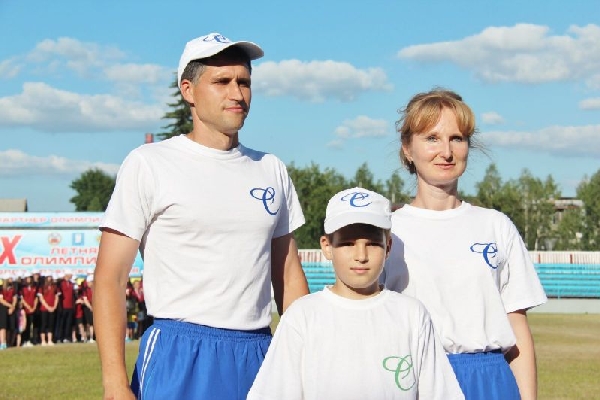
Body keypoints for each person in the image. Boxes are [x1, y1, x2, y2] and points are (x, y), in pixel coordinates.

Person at [94, 32, 308, 400]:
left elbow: (288, 277)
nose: (237, 93)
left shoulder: (270, 169)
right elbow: (110, 278)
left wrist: (308, 357)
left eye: (244, 82)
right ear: (188, 90)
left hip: (258, 353)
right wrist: (114, 382)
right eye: (222, 82)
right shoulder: (150, 164)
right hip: (180, 353)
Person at [380, 88, 548, 400]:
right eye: (432, 138)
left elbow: (517, 327)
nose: (446, 151)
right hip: (415, 378)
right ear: (407, 148)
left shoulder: (496, 226)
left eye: (456, 138)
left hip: (490, 381)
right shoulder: (387, 231)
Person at [248, 187, 464, 400]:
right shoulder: (302, 316)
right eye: (348, 243)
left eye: (372, 244)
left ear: (388, 247)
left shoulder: (412, 315)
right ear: (327, 246)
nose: (361, 256)